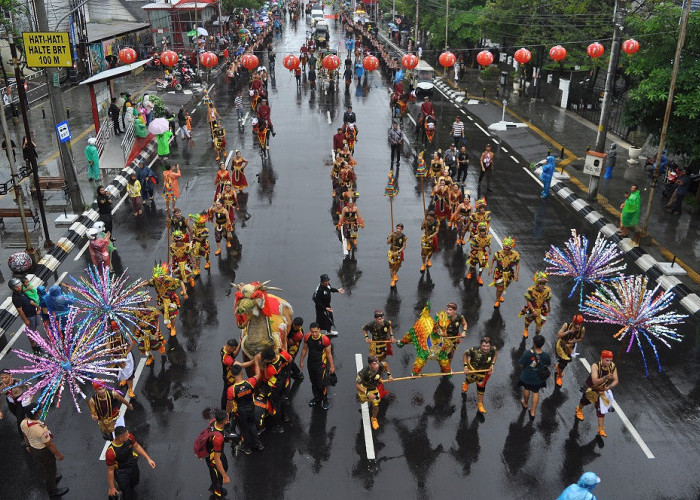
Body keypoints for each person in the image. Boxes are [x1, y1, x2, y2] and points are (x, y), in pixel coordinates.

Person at [21, 403, 69, 497]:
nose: (40, 411)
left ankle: (52, 480)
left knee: (46, 467)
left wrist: (27, 445)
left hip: (33, 448)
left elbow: (25, 435)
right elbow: (50, 444)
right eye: (39, 410)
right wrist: (58, 454)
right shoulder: (41, 430)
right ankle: (52, 490)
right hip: (43, 451)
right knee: (50, 469)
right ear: (37, 414)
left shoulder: (24, 422)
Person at [575, 350, 618, 437]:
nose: (609, 362)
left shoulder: (613, 366)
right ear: (601, 358)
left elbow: (616, 380)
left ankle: (600, 428)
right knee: (585, 401)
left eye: (611, 360)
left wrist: (609, 387)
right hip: (591, 388)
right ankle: (579, 409)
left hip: (602, 390)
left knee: (601, 409)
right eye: (607, 360)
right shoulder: (595, 366)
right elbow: (595, 381)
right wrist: (606, 377)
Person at [105, 426, 156, 500]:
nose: (128, 435)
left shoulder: (129, 438)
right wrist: (111, 487)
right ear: (120, 438)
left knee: (135, 482)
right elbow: (110, 470)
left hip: (133, 466)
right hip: (121, 472)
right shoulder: (110, 452)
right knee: (126, 492)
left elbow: (137, 446)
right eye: (126, 435)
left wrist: (148, 459)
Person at [225, 358, 264, 454]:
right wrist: (256, 363)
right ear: (241, 373)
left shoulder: (231, 390)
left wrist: (227, 414)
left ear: (233, 375)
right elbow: (258, 375)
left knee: (244, 430)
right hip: (251, 408)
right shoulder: (250, 382)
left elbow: (229, 405)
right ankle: (259, 445)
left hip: (240, 413)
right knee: (252, 425)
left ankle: (247, 448)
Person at [299, 322, 335, 410]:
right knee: (313, 383)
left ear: (319, 330)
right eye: (312, 332)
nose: (314, 334)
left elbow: (329, 354)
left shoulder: (325, 339)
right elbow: (304, 349)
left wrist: (332, 366)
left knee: (321, 384)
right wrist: (301, 361)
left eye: (316, 331)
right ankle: (317, 397)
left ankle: (325, 399)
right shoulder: (307, 337)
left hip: (321, 365)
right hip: (311, 363)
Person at [462, 336, 498, 413]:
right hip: (473, 370)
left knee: (481, 387)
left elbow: (495, 355)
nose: (486, 348)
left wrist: (492, 365)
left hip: (483, 373)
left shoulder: (493, 349)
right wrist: (465, 366)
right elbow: (465, 354)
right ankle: (466, 383)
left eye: (487, 346)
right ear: (481, 345)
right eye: (484, 346)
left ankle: (480, 404)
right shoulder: (474, 350)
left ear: (490, 345)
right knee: (469, 380)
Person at [518, 334, 551, 419]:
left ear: (533, 343)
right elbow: (548, 365)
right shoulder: (546, 355)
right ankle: (533, 412)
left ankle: (525, 403)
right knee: (536, 392)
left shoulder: (527, 353)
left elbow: (521, 364)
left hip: (527, 377)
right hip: (538, 379)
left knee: (526, 389)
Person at [261, 347, 293, 433]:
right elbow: (290, 360)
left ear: (270, 359)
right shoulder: (284, 355)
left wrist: (264, 367)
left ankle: (279, 426)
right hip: (284, 381)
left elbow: (266, 378)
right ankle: (285, 417)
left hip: (275, 387)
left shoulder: (270, 368)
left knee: (276, 406)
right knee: (284, 399)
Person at [202, 409, 231, 498]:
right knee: (217, 478)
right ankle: (218, 494)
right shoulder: (218, 439)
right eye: (227, 418)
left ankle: (214, 486)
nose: (229, 418)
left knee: (223, 468)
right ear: (224, 421)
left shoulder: (213, 422)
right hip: (213, 458)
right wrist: (225, 476)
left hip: (211, 451)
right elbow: (217, 459)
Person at [356, 355, 389, 430]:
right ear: (370, 364)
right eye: (374, 364)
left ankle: (374, 419)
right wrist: (367, 393)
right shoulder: (363, 372)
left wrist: (389, 375)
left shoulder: (380, 365)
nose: (377, 365)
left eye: (377, 363)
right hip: (364, 388)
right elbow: (357, 385)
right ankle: (362, 399)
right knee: (362, 400)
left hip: (373, 389)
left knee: (376, 404)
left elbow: (386, 364)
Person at [363, 310, 396, 381]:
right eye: (379, 319)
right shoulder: (371, 325)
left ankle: (379, 372)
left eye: (383, 318)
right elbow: (364, 328)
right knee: (373, 360)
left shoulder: (386, 323)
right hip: (374, 344)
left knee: (382, 359)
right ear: (375, 319)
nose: (382, 320)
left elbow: (389, 328)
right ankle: (371, 374)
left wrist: (392, 337)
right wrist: (366, 337)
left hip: (383, 344)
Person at [488, 236, 520, 308]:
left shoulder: (515, 255)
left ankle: (499, 295)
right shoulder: (498, 254)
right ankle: (497, 299)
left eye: (507, 249)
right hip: (499, 272)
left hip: (508, 273)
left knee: (503, 286)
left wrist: (516, 274)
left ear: (510, 249)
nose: (505, 250)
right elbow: (492, 259)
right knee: (499, 287)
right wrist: (490, 269)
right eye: (504, 248)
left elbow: (517, 263)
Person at [554, 314, 586, 387]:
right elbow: (558, 335)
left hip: (570, 347)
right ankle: (558, 376)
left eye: (580, 324)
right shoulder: (566, 325)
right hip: (561, 345)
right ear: (573, 322)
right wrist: (568, 332)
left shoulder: (582, 329)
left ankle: (559, 368)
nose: (578, 326)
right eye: (577, 324)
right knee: (562, 362)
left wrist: (575, 340)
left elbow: (581, 339)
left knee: (564, 363)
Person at [10, 277, 40, 351]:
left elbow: (25, 290)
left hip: (33, 312)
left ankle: (37, 340)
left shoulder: (21, 292)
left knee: (34, 328)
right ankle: (34, 345)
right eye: (18, 286)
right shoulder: (15, 298)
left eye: (20, 285)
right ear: (14, 288)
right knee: (31, 331)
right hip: (28, 316)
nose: (20, 287)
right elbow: (20, 311)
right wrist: (26, 320)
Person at [520, 271, 552, 338]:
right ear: (537, 283)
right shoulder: (532, 291)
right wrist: (533, 310)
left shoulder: (546, 291)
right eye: (541, 283)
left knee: (540, 324)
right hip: (532, 308)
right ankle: (526, 329)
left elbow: (548, 300)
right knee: (528, 320)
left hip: (541, 309)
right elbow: (528, 301)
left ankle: (536, 335)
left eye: (544, 283)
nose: (542, 285)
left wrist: (549, 307)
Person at [0, 368, 29, 436]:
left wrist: (30, 396)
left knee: (19, 420)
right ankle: (26, 423)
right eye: (2, 378)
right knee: (20, 417)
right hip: (11, 403)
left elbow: (28, 386)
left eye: (5, 377)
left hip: (20, 401)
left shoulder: (18, 381)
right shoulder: (1, 386)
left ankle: (22, 436)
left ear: (10, 376)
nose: (4, 379)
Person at [220, 338, 240, 410]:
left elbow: (233, 355)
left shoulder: (224, 348)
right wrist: (254, 361)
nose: (234, 350)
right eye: (234, 349)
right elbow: (240, 365)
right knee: (228, 394)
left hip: (227, 376)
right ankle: (225, 409)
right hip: (229, 378)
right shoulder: (227, 358)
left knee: (225, 392)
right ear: (229, 347)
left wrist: (240, 344)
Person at [387, 223, 407, 287]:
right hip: (392, 252)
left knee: (397, 266)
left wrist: (398, 251)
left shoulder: (403, 237)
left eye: (400, 229)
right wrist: (390, 236)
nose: (398, 230)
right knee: (391, 267)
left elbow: (404, 246)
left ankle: (395, 273)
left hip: (398, 252)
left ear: (402, 229)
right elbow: (387, 242)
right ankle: (392, 280)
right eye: (397, 228)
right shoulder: (393, 234)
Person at [286, 317, 306, 382]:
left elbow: (289, 343)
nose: (294, 327)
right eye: (293, 325)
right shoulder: (291, 324)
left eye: (296, 326)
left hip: (292, 348)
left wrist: (284, 337)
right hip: (288, 344)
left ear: (300, 326)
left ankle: (298, 374)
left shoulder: (298, 334)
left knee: (289, 361)